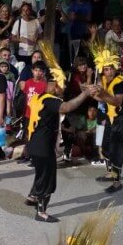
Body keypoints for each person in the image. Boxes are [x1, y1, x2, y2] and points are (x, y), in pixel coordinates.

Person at [25, 45, 95, 222]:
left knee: (41, 174)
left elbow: (46, 120)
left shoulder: (38, 98)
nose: (62, 89)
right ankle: (41, 212)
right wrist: (85, 93)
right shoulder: (50, 100)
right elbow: (67, 107)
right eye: (60, 85)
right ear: (52, 85)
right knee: (48, 178)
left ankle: (33, 196)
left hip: (35, 144)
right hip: (43, 147)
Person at [91, 42, 123, 194]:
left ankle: (117, 181)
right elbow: (100, 99)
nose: (108, 72)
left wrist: (101, 94)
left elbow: (117, 101)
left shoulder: (121, 82)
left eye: (110, 69)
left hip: (122, 118)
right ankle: (110, 172)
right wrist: (91, 92)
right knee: (105, 145)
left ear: (115, 68)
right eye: (106, 69)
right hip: (109, 117)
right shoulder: (103, 79)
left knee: (116, 149)